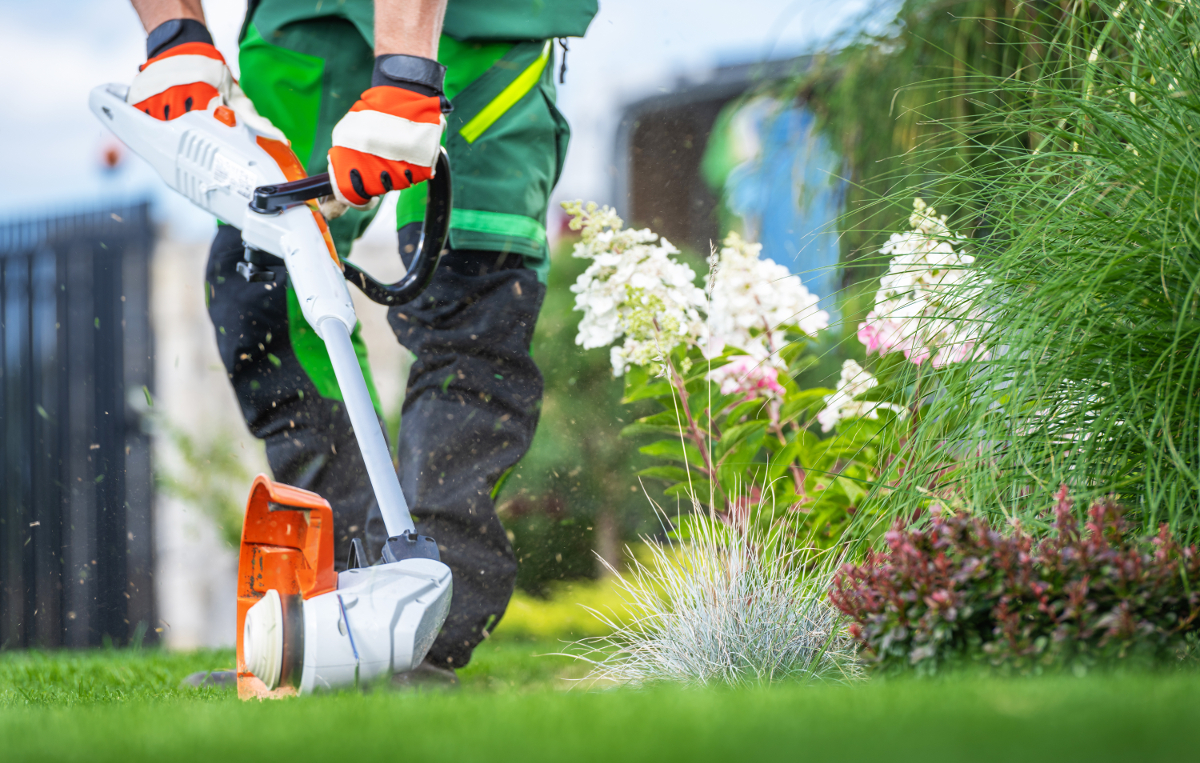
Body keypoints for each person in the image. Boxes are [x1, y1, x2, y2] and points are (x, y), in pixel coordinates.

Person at [127, 0, 595, 685]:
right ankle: (339, 609)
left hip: (484, 22)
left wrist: (405, 69)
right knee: (263, 279)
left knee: (472, 290)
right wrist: (174, 33)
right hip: (306, 18)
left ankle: (422, 629)